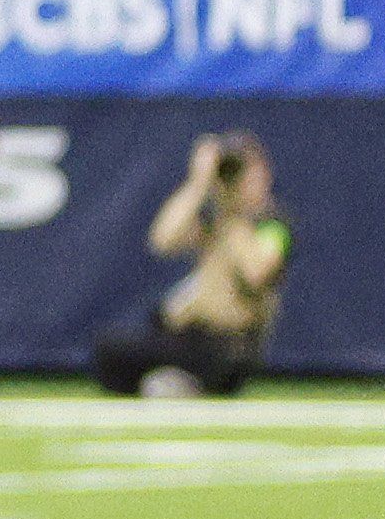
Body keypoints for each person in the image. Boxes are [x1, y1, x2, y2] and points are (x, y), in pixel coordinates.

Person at [91, 137, 286, 395]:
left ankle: (175, 382)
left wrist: (234, 216)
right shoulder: (212, 223)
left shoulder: (272, 227)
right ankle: (172, 381)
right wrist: (198, 183)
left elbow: (256, 272)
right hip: (190, 334)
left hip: (230, 342)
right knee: (112, 349)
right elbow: (162, 240)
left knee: (218, 359)